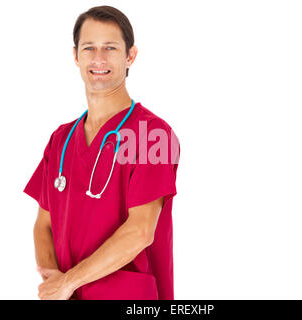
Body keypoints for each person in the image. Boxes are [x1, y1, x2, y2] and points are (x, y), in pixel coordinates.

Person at [23, 5, 180, 300]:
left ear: (130, 55)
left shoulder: (152, 135)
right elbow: (43, 225)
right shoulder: (61, 139)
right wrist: (54, 283)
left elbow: (141, 231)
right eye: (89, 48)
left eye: (110, 47)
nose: (98, 59)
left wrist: (68, 281)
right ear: (75, 56)